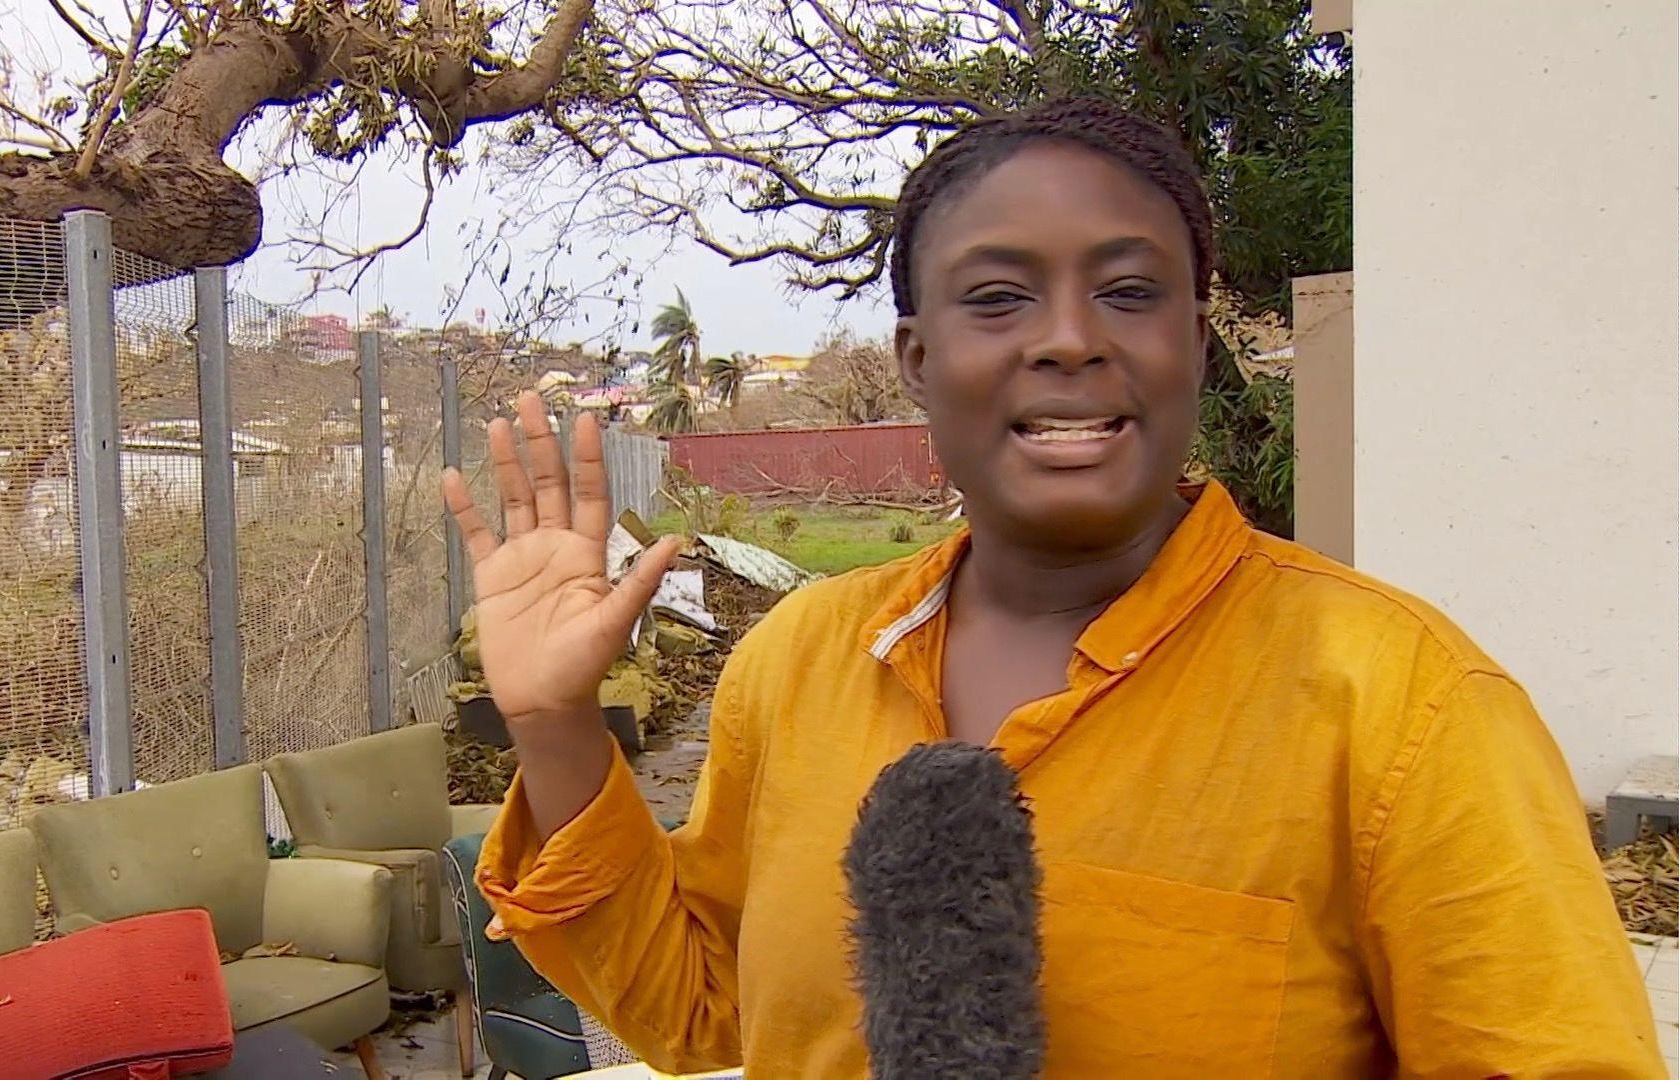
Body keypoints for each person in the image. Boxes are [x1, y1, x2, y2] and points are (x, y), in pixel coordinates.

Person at [441, 98, 1659, 1078]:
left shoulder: (1406, 704)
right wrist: (552, 728)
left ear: (1191, 337)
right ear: (920, 359)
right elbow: (701, 1013)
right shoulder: (799, 662)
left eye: (1129, 292)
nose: (1070, 338)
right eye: (998, 297)